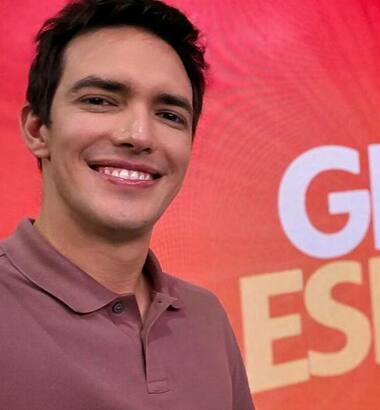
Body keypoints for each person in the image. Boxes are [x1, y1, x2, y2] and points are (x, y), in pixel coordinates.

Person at [0, 0, 255, 409]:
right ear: (37, 129)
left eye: (170, 115)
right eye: (100, 101)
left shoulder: (205, 316)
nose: (139, 135)